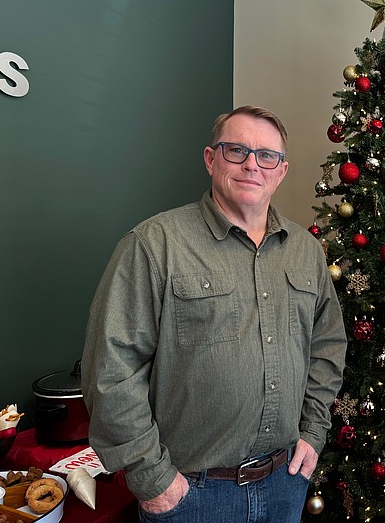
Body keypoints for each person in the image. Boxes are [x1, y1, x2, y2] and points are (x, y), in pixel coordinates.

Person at [81, 105, 347, 523]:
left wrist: (314, 431)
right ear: (210, 159)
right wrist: (155, 481)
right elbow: (112, 369)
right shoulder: (155, 244)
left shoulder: (305, 250)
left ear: (281, 170)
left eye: (266, 156)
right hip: (192, 494)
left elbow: (327, 347)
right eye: (235, 150)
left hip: (285, 482)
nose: (251, 165)